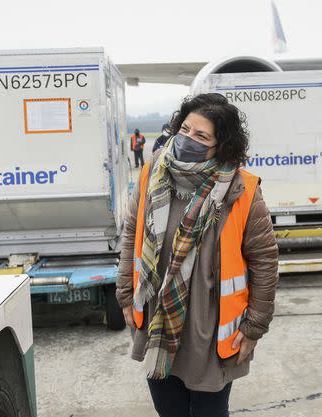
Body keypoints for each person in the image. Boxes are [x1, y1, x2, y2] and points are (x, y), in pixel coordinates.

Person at [116, 93, 278, 417]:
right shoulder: (153, 174)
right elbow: (130, 236)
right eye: (186, 129)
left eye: (202, 136)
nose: (188, 139)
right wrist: (124, 296)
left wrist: (254, 327)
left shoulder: (241, 189)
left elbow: (264, 262)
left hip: (209, 333)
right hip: (157, 323)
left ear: (222, 146)